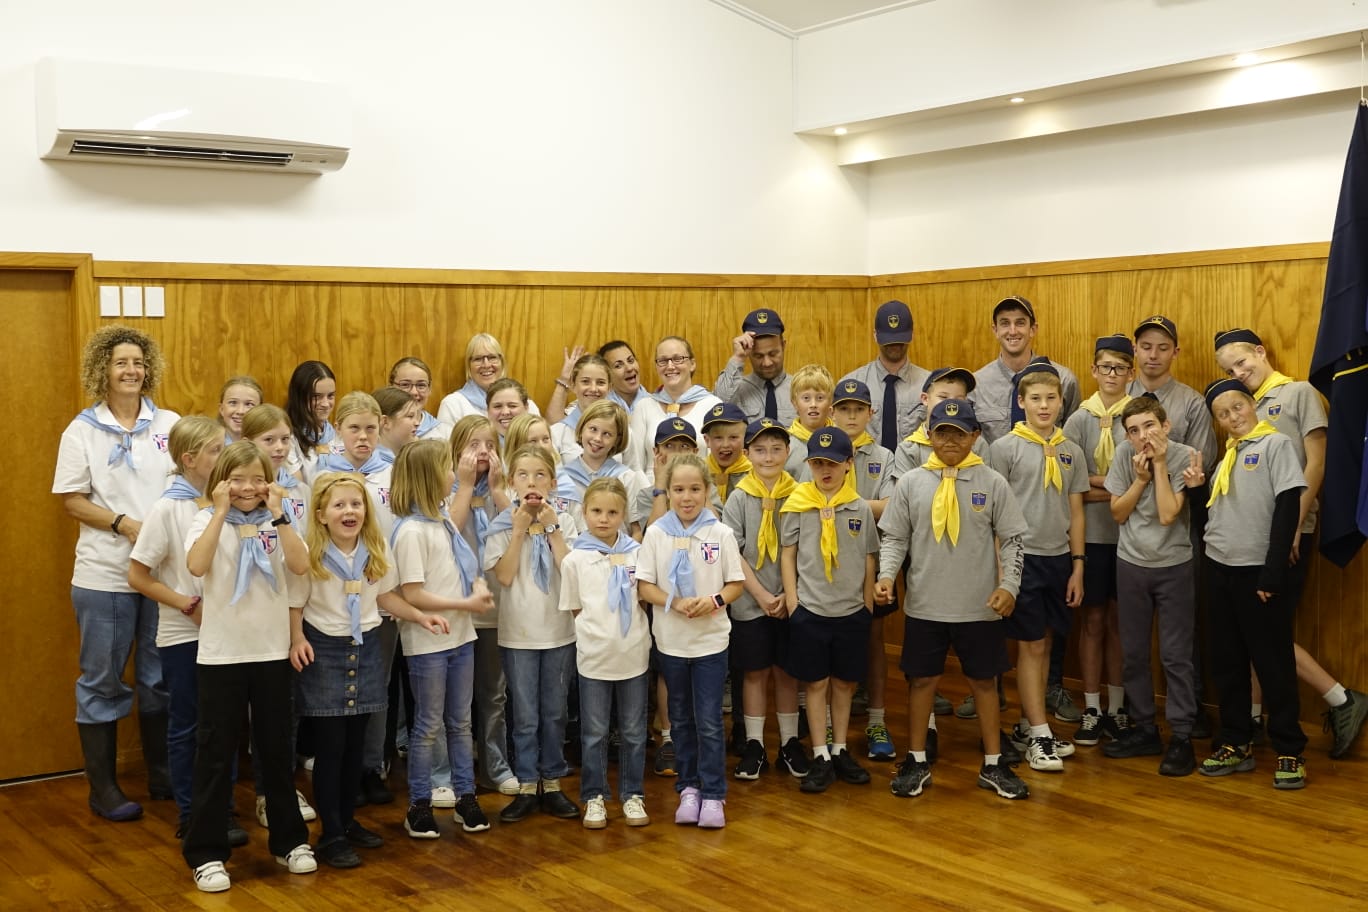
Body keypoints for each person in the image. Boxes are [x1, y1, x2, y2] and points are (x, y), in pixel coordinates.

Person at [1214, 328, 1368, 758]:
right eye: (1229, 369)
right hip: (1249, 537)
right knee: (1254, 629)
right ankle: (1255, 720)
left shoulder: (1298, 393)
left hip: (1290, 531)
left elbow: (1316, 464)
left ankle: (1340, 697)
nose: (1239, 372)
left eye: (1243, 362)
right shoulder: (1237, 408)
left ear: (1261, 352)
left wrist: (1292, 531)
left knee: (1269, 631)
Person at [54, 324, 180, 823]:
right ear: (102, 371)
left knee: (159, 677)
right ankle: (102, 789)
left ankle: (163, 774)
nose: (131, 371)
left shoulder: (169, 423)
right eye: (120, 363)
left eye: (138, 362)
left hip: (162, 573)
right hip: (104, 576)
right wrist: (122, 523)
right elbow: (71, 501)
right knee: (103, 680)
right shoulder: (81, 429)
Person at [876, 399, 1030, 800]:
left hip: (979, 607)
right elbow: (895, 538)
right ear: (928, 436)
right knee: (921, 679)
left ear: (974, 437)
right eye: (941, 433)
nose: (949, 441)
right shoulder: (911, 484)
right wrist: (886, 576)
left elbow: (1012, 540)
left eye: (959, 434)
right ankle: (916, 758)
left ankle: (994, 763)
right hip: (926, 604)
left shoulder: (992, 482)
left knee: (984, 681)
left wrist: (1009, 585)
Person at [290, 472, 447, 868]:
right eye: (340, 505)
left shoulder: (375, 550)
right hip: (324, 649)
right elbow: (294, 602)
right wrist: (296, 638)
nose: (349, 511)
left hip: (366, 647)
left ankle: (347, 822)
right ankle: (330, 834)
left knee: (356, 747)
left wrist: (419, 616)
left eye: (356, 504)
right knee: (331, 748)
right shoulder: (310, 553)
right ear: (322, 514)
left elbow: (387, 597)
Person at [181, 441, 313, 893]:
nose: (247, 488)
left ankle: (290, 841)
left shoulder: (278, 523)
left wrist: (278, 516)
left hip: (271, 653)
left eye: (256, 478)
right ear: (221, 482)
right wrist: (219, 512)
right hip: (222, 655)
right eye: (236, 479)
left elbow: (300, 565)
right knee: (215, 755)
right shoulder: (203, 520)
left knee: (276, 750)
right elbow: (196, 564)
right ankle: (207, 853)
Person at [1197, 379, 1308, 789]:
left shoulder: (1275, 445)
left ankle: (1289, 748)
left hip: (1257, 572)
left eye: (1237, 408)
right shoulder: (1227, 455)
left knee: (1273, 662)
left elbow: (1287, 506)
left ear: (1252, 406)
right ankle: (1236, 739)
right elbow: (1214, 512)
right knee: (1226, 661)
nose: (1232, 418)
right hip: (1219, 567)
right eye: (1223, 415)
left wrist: (1273, 572)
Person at [127, 416, 231, 840]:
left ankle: (221, 810)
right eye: (215, 451)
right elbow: (138, 575)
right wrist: (187, 604)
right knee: (189, 723)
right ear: (189, 459)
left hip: (226, 635)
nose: (223, 457)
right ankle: (192, 813)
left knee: (222, 724)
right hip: (184, 634)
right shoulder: (168, 508)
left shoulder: (224, 504)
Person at [389, 439, 496, 839]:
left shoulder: (441, 520)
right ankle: (419, 803)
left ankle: (467, 796)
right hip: (428, 643)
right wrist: (464, 603)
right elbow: (413, 593)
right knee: (428, 725)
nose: (454, 474)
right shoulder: (411, 531)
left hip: (459, 639)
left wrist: (476, 588)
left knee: (461, 722)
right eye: (448, 469)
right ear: (429, 477)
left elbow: (460, 563)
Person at [636, 453, 744, 828]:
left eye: (695, 489)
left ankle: (714, 794)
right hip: (671, 642)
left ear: (707, 490)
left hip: (711, 643)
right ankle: (689, 788)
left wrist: (712, 601)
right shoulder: (656, 533)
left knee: (710, 720)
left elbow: (735, 584)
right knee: (679, 719)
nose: (687, 497)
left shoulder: (720, 532)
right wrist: (674, 602)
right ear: (667, 492)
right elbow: (645, 584)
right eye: (678, 489)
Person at [988, 363, 1088, 772]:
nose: (1044, 406)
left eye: (1051, 398)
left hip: (1058, 559)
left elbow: (1076, 512)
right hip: (1021, 559)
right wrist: (1001, 569)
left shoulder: (1070, 450)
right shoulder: (1006, 449)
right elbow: (994, 513)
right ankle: (1041, 734)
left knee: (1045, 643)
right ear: (1021, 402)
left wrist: (1078, 565)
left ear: (1061, 402)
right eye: (1035, 399)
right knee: (1029, 646)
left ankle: (1033, 725)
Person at [1128, 314, 1219, 738]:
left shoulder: (1190, 403)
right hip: (1127, 532)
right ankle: (1137, 717)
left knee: (1182, 635)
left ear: (1175, 353)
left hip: (1178, 530)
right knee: (1128, 635)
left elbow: (1200, 467)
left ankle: (1190, 712)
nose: (1153, 354)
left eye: (1163, 347)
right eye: (1146, 346)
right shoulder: (1120, 397)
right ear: (1136, 350)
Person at [1101, 396, 1203, 775]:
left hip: (1174, 565)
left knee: (1176, 655)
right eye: (1133, 430)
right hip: (1131, 564)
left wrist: (1158, 466)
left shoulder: (1185, 456)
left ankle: (1181, 735)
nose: (1142, 436)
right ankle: (1144, 728)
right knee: (1134, 652)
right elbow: (1117, 512)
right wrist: (1139, 479)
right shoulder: (1124, 458)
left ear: (1166, 426)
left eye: (1149, 426)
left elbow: (1166, 513)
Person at [779, 427, 879, 793]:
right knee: (816, 683)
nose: (825, 470)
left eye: (833, 463)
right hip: (811, 610)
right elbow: (788, 554)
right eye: (818, 463)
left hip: (851, 611)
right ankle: (819, 752)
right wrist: (793, 602)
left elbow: (869, 559)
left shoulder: (859, 509)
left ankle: (840, 749)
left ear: (849, 464)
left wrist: (866, 604)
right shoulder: (798, 504)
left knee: (845, 682)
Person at [485, 445, 580, 823]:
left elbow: (571, 571)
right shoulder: (502, 525)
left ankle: (553, 782)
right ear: (511, 483)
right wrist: (519, 532)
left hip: (559, 632)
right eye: (523, 475)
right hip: (518, 635)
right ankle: (526, 783)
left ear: (553, 482)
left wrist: (553, 529)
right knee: (524, 714)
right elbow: (505, 576)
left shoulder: (566, 521)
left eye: (540, 474)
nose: (532, 482)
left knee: (555, 712)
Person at [560, 478, 652, 829]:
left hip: (633, 655)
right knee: (594, 733)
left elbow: (643, 598)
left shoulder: (637, 553)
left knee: (632, 731)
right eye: (596, 511)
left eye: (612, 512)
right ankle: (594, 796)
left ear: (623, 514)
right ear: (584, 513)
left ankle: (632, 794)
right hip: (594, 658)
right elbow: (574, 608)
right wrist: (597, 635)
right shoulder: (575, 560)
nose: (604, 518)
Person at [722, 419, 807, 781]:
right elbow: (733, 552)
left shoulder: (802, 494)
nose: (768, 456)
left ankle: (789, 742)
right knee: (754, 672)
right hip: (750, 601)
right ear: (747, 454)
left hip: (790, 600)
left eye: (776, 449)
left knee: (787, 673)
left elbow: (805, 550)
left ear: (788, 452)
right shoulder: (739, 497)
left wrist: (789, 595)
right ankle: (755, 744)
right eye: (759, 449)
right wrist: (760, 595)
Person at [1061, 336, 1134, 747]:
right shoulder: (1077, 421)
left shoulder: (1138, 415)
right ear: (1093, 370)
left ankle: (1118, 707)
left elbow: (1139, 480)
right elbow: (1073, 490)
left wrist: (1102, 484)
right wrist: (1118, 485)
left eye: (1120, 368)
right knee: (1090, 622)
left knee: (1119, 623)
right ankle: (1091, 707)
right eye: (1105, 367)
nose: (1111, 375)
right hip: (1089, 535)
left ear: (1131, 374)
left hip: (1128, 537)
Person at [828, 379, 898, 760]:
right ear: (832, 413)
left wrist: (842, 503)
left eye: (859, 409)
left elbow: (890, 506)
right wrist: (863, 504)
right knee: (827, 642)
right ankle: (826, 721)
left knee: (874, 640)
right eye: (844, 409)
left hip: (871, 559)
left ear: (871, 413)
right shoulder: (821, 453)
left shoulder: (884, 456)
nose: (851, 416)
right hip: (827, 564)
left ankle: (876, 719)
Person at [448, 416, 516, 797]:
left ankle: (495, 764)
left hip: (494, 610)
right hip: (455, 609)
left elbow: (519, 529)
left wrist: (500, 491)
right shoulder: (448, 487)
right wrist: (465, 484)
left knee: (493, 694)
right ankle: (456, 772)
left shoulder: (501, 492)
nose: (482, 453)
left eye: (489, 445)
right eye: (473, 445)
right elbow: (449, 534)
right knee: (455, 702)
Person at [970, 295, 1080, 445]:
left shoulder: (1064, 380)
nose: (1013, 331)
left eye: (1020, 323)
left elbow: (1072, 442)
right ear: (995, 330)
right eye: (1005, 323)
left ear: (1033, 329)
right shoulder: (976, 385)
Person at [841, 300, 930, 450]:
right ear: (875, 335)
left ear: (912, 335)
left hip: (914, 470)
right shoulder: (852, 383)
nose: (894, 345)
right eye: (888, 340)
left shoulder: (929, 385)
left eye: (899, 339)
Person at [625, 337, 721, 474]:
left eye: (677, 359)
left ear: (692, 364)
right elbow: (635, 465)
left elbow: (715, 465)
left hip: (695, 489)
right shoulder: (644, 407)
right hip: (650, 490)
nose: (670, 366)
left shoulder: (712, 405)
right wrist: (652, 493)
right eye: (663, 361)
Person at [557, 400, 647, 534]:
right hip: (576, 552)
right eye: (593, 429)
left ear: (617, 440)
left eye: (607, 434)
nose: (598, 438)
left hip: (618, 552)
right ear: (581, 429)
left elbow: (636, 531)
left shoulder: (626, 478)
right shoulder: (563, 478)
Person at [437, 333, 542, 425]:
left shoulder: (526, 405)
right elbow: (445, 447)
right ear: (469, 366)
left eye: (492, 357)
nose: (486, 365)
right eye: (478, 359)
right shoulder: (452, 404)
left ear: (502, 363)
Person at [715, 308, 793, 424]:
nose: (767, 363)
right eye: (758, 356)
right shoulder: (736, 389)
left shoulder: (801, 389)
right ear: (749, 352)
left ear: (783, 346)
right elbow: (718, 405)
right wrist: (738, 358)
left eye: (773, 354)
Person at [547, 352, 614, 462]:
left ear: (610, 388)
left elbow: (634, 471)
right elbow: (553, 476)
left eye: (600, 382)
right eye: (585, 382)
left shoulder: (623, 431)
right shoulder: (557, 433)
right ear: (573, 385)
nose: (593, 388)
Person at [284, 360, 339, 481]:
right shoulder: (287, 438)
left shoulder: (336, 434)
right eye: (316, 397)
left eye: (330, 396)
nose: (325, 404)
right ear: (299, 397)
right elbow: (298, 488)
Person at [316, 393, 386, 476]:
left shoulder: (392, 474)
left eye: (370, 428)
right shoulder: (324, 473)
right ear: (338, 429)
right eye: (354, 427)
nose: (363, 436)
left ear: (379, 427)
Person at [784, 364, 835, 476]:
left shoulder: (840, 441)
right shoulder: (785, 445)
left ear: (830, 402)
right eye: (806, 398)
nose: (813, 404)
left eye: (820, 398)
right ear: (795, 403)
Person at [388, 356, 452, 442]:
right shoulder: (378, 429)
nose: (414, 392)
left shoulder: (445, 435)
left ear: (429, 389)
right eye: (405, 385)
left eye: (421, 385)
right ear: (390, 387)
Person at [701, 402, 751, 505]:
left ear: (746, 439)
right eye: (718, 438)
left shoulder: (754, 474)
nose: (725, 444)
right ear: (707, 440)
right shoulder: (698, 473)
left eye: (733, 437)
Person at [370, 386, 421, 466]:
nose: (417, 423)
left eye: (416, 416)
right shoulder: (378, 468)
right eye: (410, 416)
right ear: (385, 422)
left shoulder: (405, 460)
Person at [599, 340, 649, 412]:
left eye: (631, 361)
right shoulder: (599, 410)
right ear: (606, 375)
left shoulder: (657, 405)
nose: (629, 368)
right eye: (618, 366)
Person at [217, 377, 263, 444]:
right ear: (221, 409)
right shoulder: (208, 445)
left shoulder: (270, 447)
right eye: (233, 402)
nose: (240, 411)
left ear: (260, 411)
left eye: (249, 404)